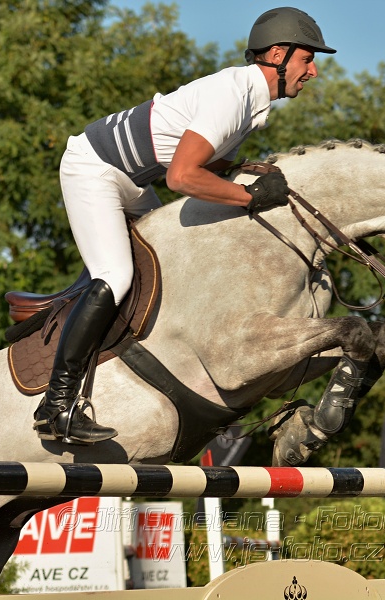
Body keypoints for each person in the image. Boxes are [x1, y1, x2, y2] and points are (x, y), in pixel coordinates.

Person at [33, 7, 336, 444]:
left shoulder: (250, 99)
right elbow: (182, 178)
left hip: (132, 181)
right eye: (308, 59)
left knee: (170, 267)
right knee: (116, 275)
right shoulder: (233, 96)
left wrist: (246, 173)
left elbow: (206, 163)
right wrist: (250, 197)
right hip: (94, 169)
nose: (313, 71)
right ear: (277, 54)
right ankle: (56, 405)